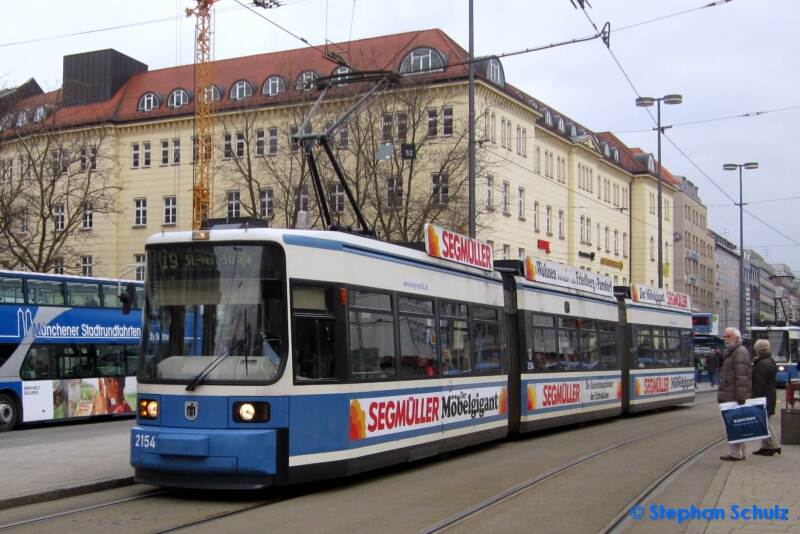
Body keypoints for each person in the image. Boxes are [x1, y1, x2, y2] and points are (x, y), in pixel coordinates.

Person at [718, 327, 752, 461]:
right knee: (737, 424)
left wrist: (740, 396)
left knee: (733, 425)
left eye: (728, 337)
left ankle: (735, 453)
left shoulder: (739, 353)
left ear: (737, 338)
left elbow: (742, 377)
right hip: (730, 394)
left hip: (733, 395)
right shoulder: (734, 352)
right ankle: (741, 452)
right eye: (725, 336)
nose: (726, 339)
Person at [751, 339, 780, 456]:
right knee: (763, 419)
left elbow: (759, 383)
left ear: (758, 350)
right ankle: (765, 445)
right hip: (769, 394)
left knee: (765, 421)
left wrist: (755, 397)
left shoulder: (762, 363)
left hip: (764, 395)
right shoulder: (770, 360)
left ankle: (774, 445)